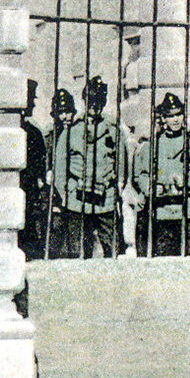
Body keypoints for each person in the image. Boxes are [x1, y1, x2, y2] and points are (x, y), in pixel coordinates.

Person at [51, 76, 128, 259]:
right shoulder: (71, 132)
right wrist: (66, 194)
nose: (95, 105)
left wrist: (117, 187)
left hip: (105, 200)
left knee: (113, 251)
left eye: (99, 101)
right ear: (85, 101)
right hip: (77, 201)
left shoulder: (113, 131)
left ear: (104, 102)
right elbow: (60, 168)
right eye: (91, 101)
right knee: (78, 253)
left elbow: (121, 165)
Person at [133, 93, 190, 256]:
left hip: (188, 213)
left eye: (179, 114)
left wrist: (187, 183)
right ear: (163, 118)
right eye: (170, 116)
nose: (176, 120)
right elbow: (140, 175)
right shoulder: (151, 146)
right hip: (161, 213)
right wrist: (150, 187)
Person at [43, 88, 77, 259]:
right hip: (54, 192)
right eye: (61, 112)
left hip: (75, 190)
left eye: (68, 112)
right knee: (55, 232)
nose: (65, 116)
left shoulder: (78, 134)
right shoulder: (49, 136)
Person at [19, 79, 48, 261]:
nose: (34, 104)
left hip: (29, 192)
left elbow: (41, 165)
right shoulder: (30, 132)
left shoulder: (34, 132)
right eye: (31, 100)